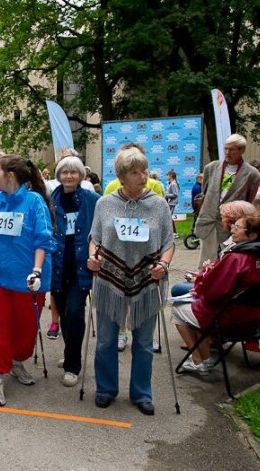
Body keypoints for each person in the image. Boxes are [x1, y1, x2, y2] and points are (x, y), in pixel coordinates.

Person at [87, 144, 174, 416]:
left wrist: (163, 263)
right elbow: (95, 239)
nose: (142, 175)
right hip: (110, 279)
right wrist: (93, 259)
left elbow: (170, 242)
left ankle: (141, 393)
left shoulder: (158, 204)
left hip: (147, 280)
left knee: (144, 343)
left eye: (144, 170)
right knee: (105, 340)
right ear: (122, 176)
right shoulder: (105, 203)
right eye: (135, 172)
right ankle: (105, 388)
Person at [0, 155, 56, 407]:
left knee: (25, 329)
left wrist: (37, 271)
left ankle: (16, 361)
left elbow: (43, 237)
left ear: (10, 175)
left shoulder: (34, 201)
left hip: (27, 280)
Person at [172, 214, 260, 373]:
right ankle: (205, 351)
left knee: (178, 308)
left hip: (229, 321)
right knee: (193, 305)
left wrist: (202, 278)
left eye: (237, 228)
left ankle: (199, 360)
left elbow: (212, 294)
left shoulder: (237, 258)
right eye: (233, 226)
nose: (232, 230)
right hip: (255, 322)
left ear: (252, 235)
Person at [50, 156, 100, 387]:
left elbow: (100, 228)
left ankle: (73, 364)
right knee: (62, 310)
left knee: (75, 310)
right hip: (58, 264)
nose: (69, 176)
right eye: (64, 172)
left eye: (73, 172)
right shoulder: (52, 199)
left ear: (81, 175)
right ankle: (70, 350)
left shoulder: (92, 200)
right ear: (59, 175)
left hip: (81, 264)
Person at [194, 133, 260, 267]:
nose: (227, 152)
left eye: (232, 149)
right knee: (205, 262)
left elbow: (249, 200)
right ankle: (202, 284)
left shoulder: (252, 174)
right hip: (209, 221)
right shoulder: (211, 168)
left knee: (227, 261)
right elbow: (205, 192)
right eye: (226, 148)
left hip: (232, 225)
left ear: (241, 151)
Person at [165, 170, 179, 238]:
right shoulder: (171, 183)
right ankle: (173, 232)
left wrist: (167, 195)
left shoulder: (173, 184)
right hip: (170, 202)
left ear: (171, 176)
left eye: (167, 175)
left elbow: (175, 194)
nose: (166, 177)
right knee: (169, 217)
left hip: (172, 203)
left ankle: (174, 233)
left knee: (169, 218)